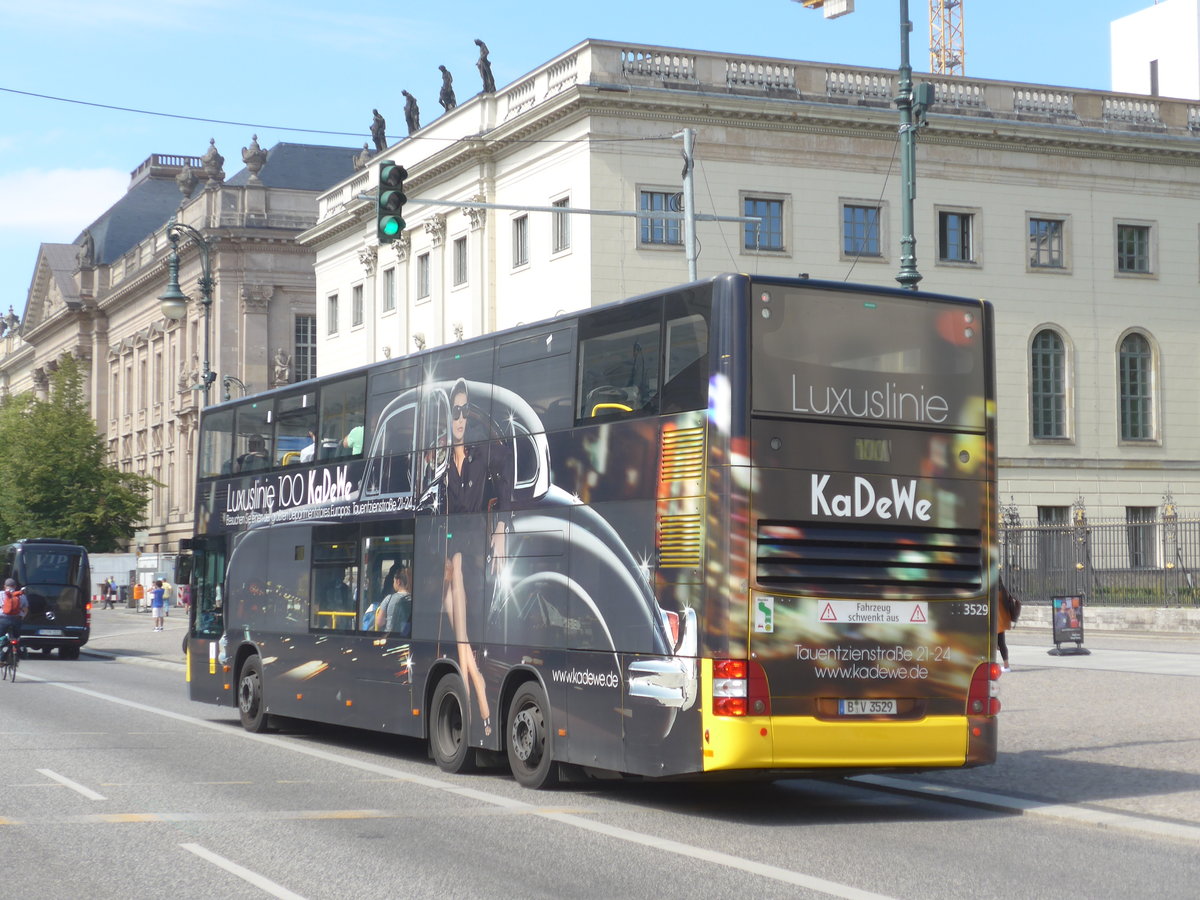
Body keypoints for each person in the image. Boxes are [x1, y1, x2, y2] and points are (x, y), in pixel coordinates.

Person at [441, 378, 513, 736]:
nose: (459, 418)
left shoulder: (482, 454)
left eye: (464, 411)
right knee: (456, 613)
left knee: (457, 570)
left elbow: (507, 467)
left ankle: (477, 697)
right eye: (454, 411)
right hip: (448, 557)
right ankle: (479, 691)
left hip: (469, 554)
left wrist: (501, 525)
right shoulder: (439, 460)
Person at [374, 566, 412, 636]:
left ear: (398, 581)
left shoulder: (389, 598)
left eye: (393, 581)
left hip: (391, 637)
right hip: (407, 636)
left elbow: (379, 622)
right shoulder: (415, 600)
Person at [0, 578, 28, 661]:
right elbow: (26, 609)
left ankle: (1, 655)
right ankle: (18, 651)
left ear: (4, 586)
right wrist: (22, 617)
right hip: (16, 619)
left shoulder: (1, 594)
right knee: (16, 637)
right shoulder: (21, 595)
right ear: (15, 586)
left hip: (3, 619)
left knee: (1, 636)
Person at [997, 581, 1015, 672]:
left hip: (995, 621)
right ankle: (1006, 665)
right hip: (1002, 621)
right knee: (1001, 643)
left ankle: (989, 665)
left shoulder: (993, 590)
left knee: (994, 644)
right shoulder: (1003, 590)